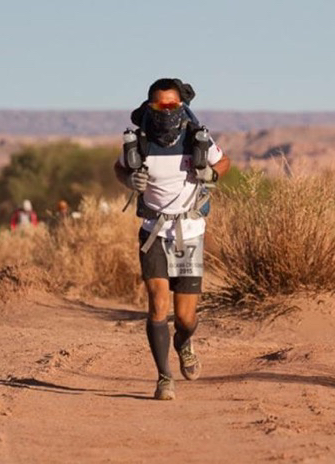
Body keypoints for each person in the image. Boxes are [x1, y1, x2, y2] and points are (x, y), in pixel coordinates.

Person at [114, 78, 231, 400]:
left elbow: (224, 160)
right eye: (158, 105)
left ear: (181, 106)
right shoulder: (138, 142)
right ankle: (164, 377)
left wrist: (213, 174)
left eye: (171, 105)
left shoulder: (197, 139)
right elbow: (119, 168)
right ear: (149, 106)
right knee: (157, 307)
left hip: (190, 233)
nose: (165, 111)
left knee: (185, 317)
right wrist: (129, 179)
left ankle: (184, 342)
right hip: (152, 232)